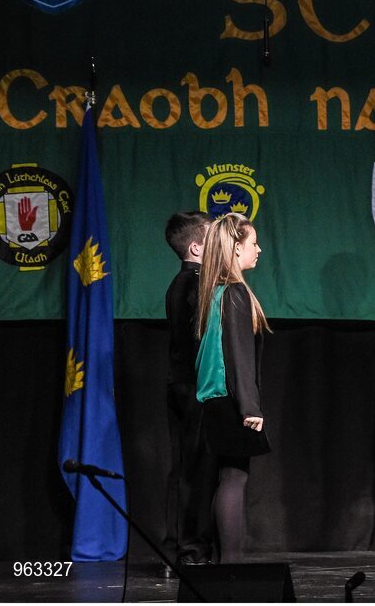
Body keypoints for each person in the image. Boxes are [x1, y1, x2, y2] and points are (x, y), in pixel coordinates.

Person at [195, 213, 271, 564]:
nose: (258, 250)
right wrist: (251, 407)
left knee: (228, 476)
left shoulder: (216, 291)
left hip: (216, 399)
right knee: (234, 478)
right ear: (236, 247)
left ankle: (224, 560)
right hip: (231, 399)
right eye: (253, 243)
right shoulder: (236, 292)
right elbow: (238, 353)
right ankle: (231, 563)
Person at [160, 211, 218, 577]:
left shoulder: (178, 282)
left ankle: (176, 549)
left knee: (185, 469)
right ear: (197, 247)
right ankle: (192, 551)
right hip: (197, 385)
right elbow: (204, 339)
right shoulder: (197, 284)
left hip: (180, 383)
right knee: (198, 470)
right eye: (214, 238)